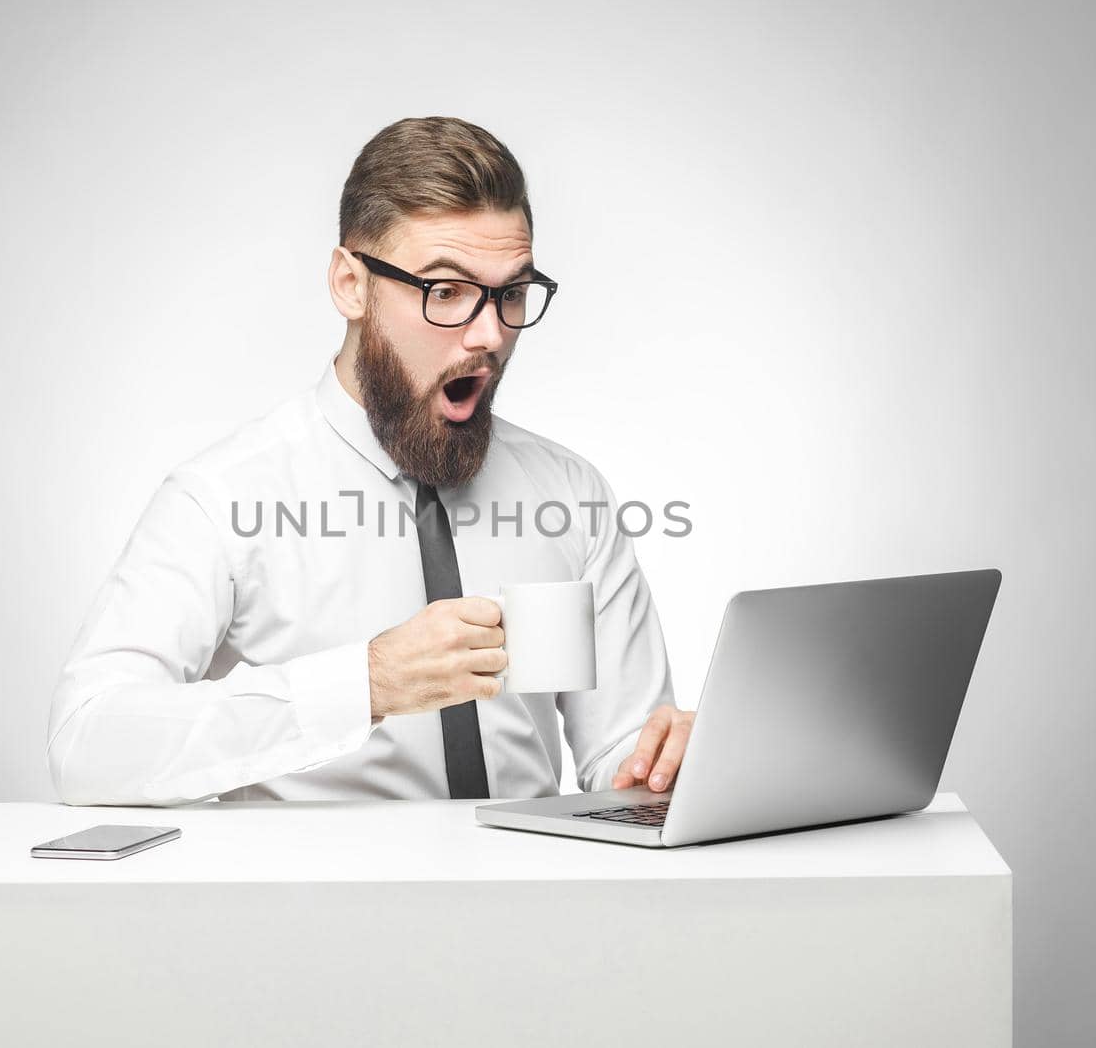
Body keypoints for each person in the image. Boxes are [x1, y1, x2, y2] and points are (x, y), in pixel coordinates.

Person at [47, 116, 696, 806]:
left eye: (510, 293)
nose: (490, 335)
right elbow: (87, 743)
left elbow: (627, 762)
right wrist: (366, 683)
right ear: (350, 285)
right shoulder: (223, 497)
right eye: (445, 291)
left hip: (533, 901)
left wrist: (666, 767)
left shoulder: (570, 495)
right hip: (307, 910)